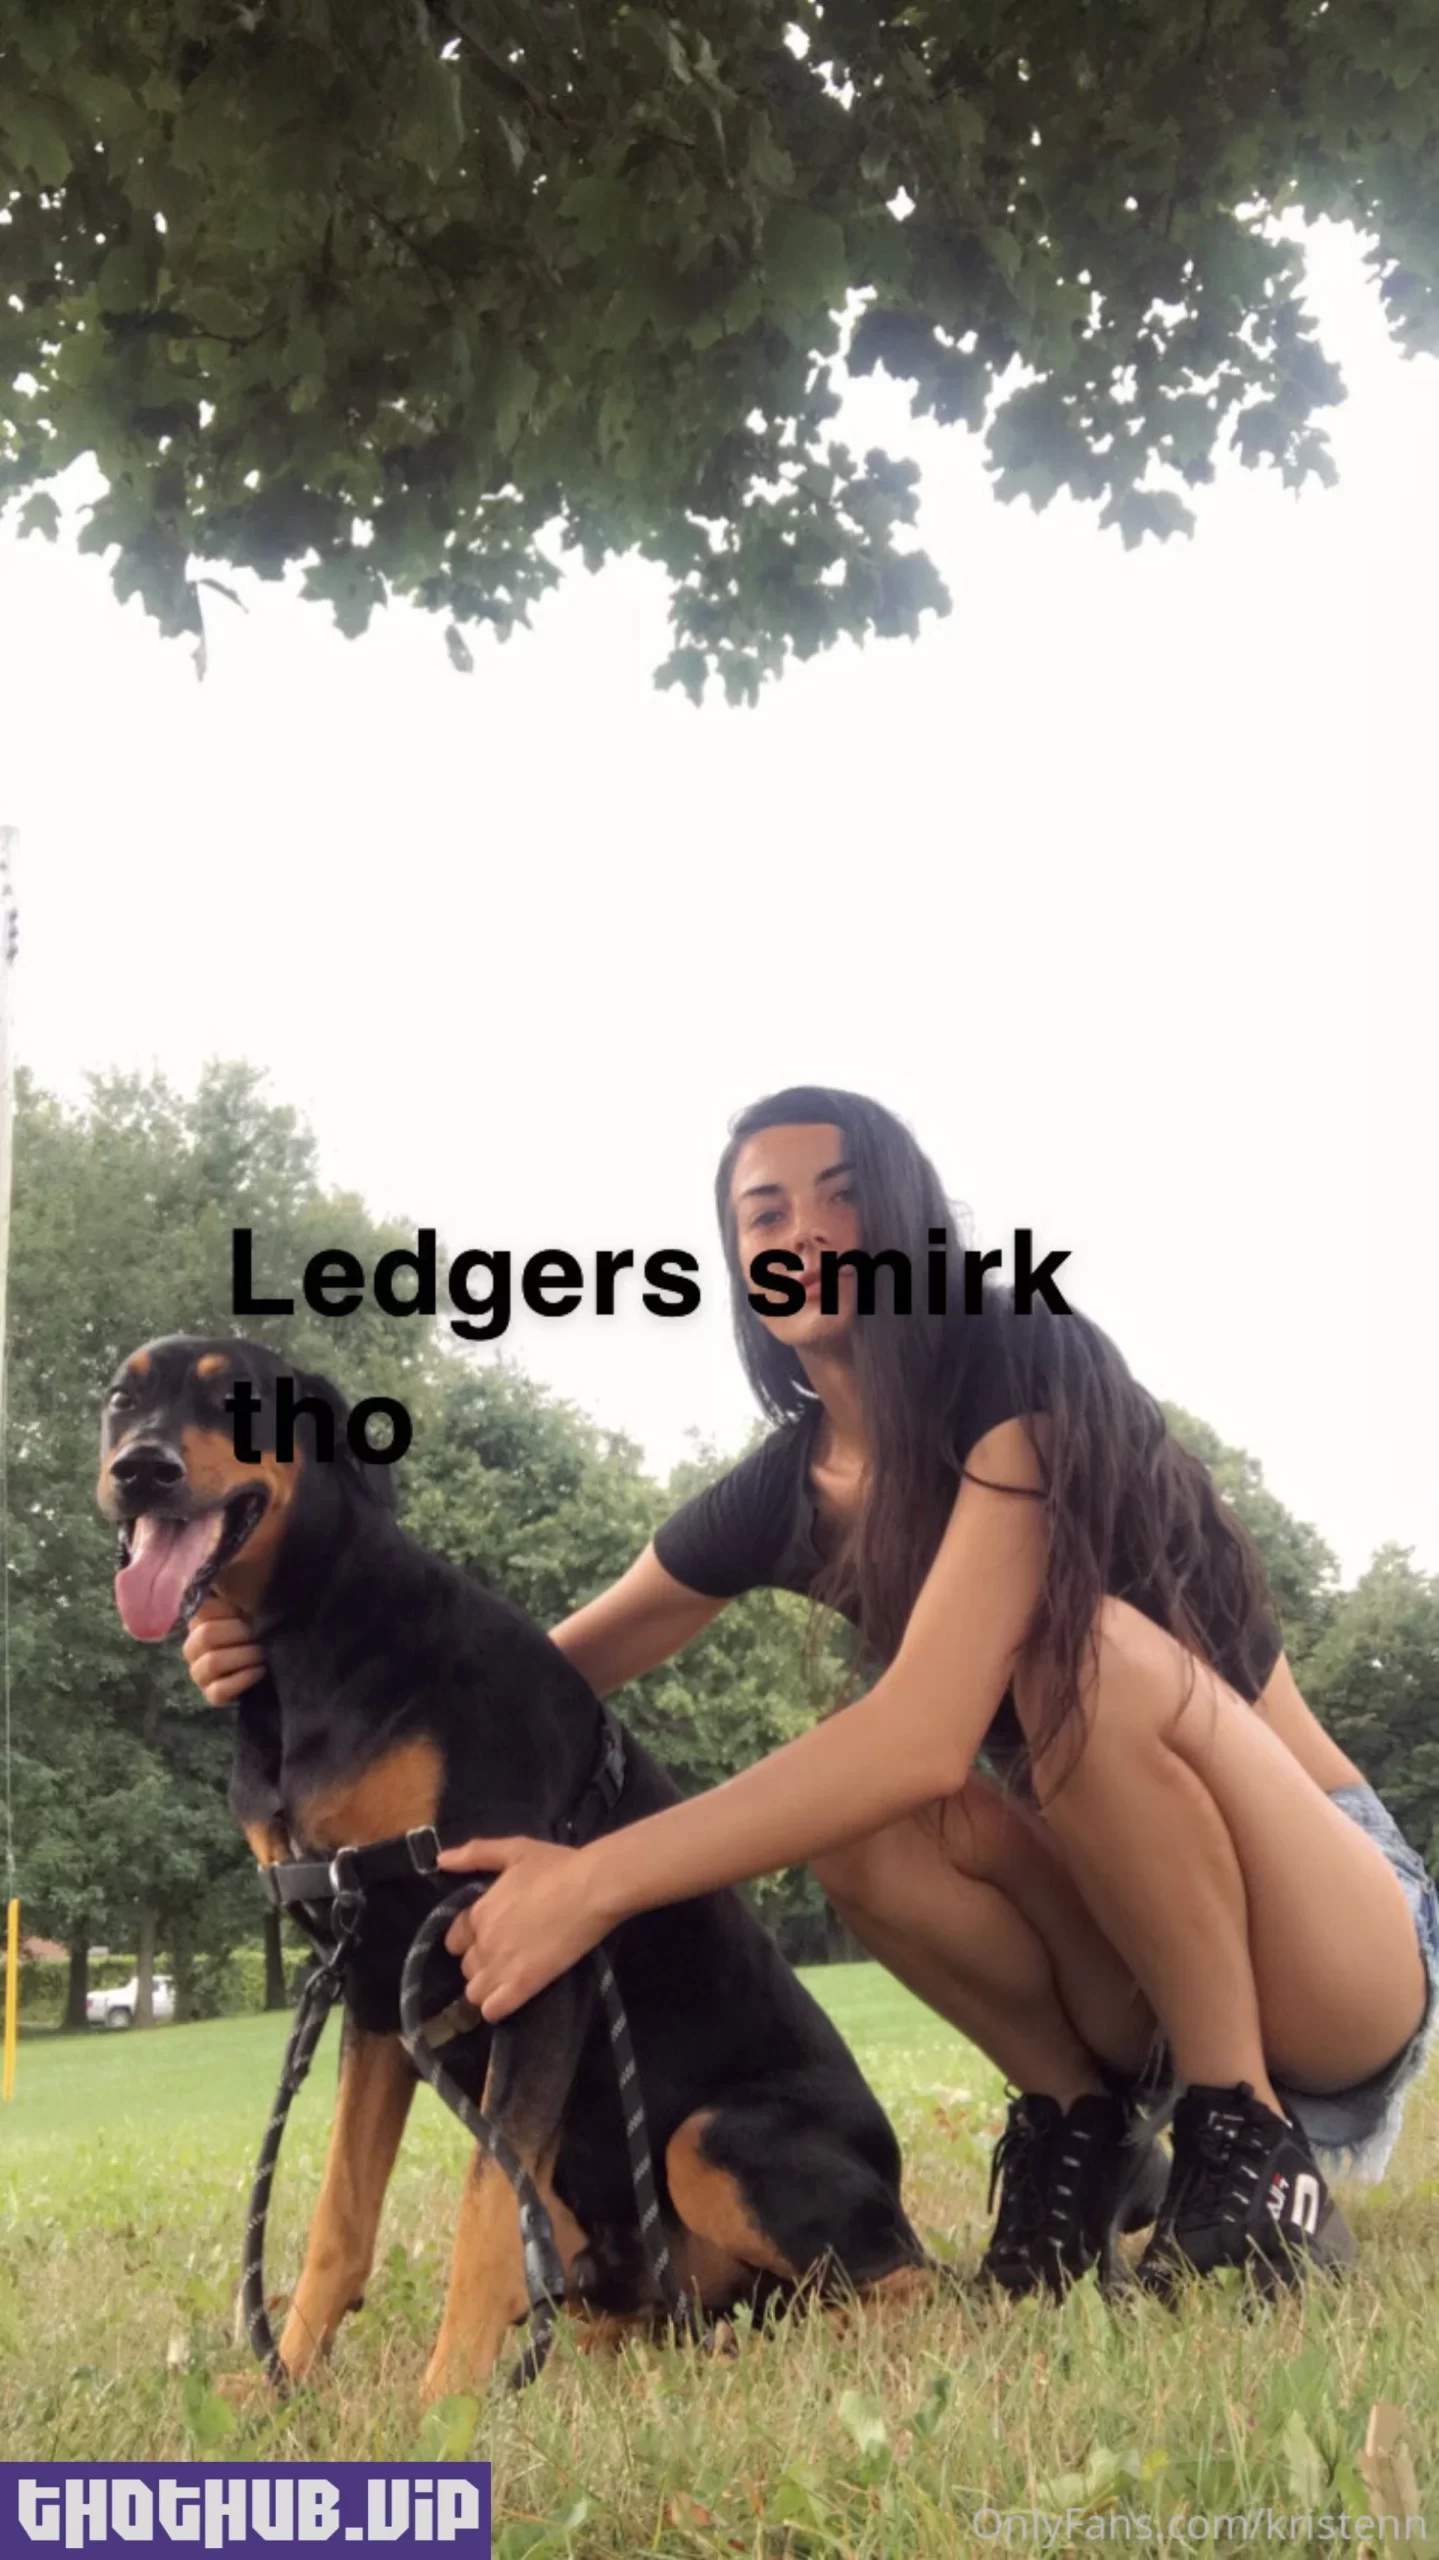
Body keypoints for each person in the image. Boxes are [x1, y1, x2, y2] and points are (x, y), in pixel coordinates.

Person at [186, 1086, 1439, 2303]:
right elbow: (516, 1688)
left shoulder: (1018, 1358)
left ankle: (1247, 2136)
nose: (807, 1232)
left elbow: (923, 1734)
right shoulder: (785, 1489)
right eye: (765, 1212)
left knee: (1079, 1661)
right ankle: (1082, 2125)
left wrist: (594, 1880)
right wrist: (295, 1661)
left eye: (843, 1195)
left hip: (1331, 1937)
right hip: (1133, 1940)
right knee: (856, 1813)